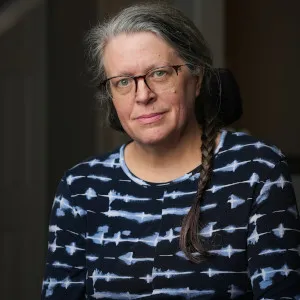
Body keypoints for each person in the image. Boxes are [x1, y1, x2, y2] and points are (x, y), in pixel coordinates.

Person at [41, 3, 300, 299]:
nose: (143, 95)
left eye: (160, 74)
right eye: (123, 81)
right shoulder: (80, 188)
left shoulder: (257, 169)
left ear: (197, 78)